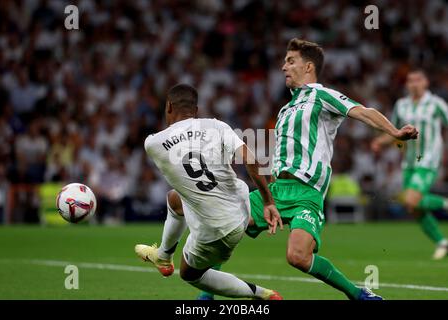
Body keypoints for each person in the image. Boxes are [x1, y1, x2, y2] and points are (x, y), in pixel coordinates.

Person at [191, 38, 419, 300]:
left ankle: (357, 294)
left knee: (297, 257)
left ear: (308, 66)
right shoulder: (285, 109)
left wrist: (395, 132)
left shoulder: (322, 95)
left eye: (290, 61)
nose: (283, 66)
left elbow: (364, 111)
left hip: (306, 192)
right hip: (277, 189)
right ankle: (206, 296)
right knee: (227, 225)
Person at [135, 83, 283, 300]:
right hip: (241, 209)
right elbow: (251, 160)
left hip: (216, 232)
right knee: (174, 199)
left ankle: (262, 294)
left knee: (189, 274)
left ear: (168, 107)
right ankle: (163, 257)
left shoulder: (153, 144)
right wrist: (268, 202)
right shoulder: (217, 126)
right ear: (196, 111)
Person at [372, 69, 448, 260]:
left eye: (418, 80)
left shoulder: (436, 104)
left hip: (429, 158)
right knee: (413, 207)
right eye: (410, 80)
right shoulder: (401, 105)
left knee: (411, 200)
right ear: (406, 85)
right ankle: (442, 242)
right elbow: (395, 132)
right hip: (409, 162)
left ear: (426, 83)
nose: (414, 83)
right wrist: (380, 142)